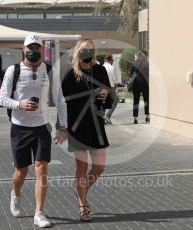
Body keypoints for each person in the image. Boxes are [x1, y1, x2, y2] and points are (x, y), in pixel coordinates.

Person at [0, 34, 68, 228]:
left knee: (41, 168)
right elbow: (2, 98)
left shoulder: (50, 70)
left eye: (37, 47)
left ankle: (39, 213)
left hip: (41, 127)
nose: (34, 50)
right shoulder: (14, 70)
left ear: (41, 50)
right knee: (21, 171)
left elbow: (61, 100)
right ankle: (16, 194)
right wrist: (19, 104)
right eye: (31, 47)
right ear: (23, 49)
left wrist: (64, 127)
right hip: (19, 127)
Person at [61, 37, 112, 222]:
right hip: (78, 126)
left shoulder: (100, 70)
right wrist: (63, 127)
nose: (87, 53)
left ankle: (80, 192)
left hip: (96, 126)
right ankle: (83, 205)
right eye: (83, 50)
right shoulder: (71, 74)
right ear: (77, 52)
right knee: (81, 167)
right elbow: (62, 103)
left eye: (90, 50)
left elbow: (110, 98)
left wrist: (106, 95)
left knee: (99, 167)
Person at [130, 51, 149, 124]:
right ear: (141, 56)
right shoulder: (146, 64)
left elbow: (131, 75)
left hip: (136, 84)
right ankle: (147, 116)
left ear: (137, 56)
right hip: (144, 84)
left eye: (135, 57)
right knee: (146, 100)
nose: (135, 58)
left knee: (136, 101)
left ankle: (135, 118)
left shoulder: (133, 64)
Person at [102, 54, 119, 124]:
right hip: (110, 87)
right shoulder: (112, 68)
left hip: (102, 87)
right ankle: (108, 115)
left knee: (103, 102)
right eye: (112, 60)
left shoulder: (101, 67)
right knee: (116, 100)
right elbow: (115, 81)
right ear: (109, 60)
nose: (113, 61)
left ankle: (102, 118)